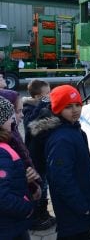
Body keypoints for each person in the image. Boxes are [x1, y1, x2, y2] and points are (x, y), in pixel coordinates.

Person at [30, 85, 90, 240]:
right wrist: (82, 206)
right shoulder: (62, 139)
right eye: (68, 107)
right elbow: (61, 178)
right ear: (57, 109)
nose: (75, 110)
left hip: (80, 202)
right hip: (74, 208)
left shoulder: (72, 127)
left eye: (78, 105)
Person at [0, 96, 40, 240]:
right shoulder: (2, 151)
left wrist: (23, 178)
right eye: (9, 116)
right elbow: (2, 196)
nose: (13, 120)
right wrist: (27, 208)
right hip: (9, 226)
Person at [21, 79, 56, 231]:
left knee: (45, 185)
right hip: (35, 157)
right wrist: (42, 105)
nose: (50, 96)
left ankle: (44, 213)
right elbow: (29, 124)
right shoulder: (29, 107)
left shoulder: (45, 106)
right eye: (46, 94)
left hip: (44, 155)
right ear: (36, 97)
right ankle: (36, 216)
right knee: (39, 187)